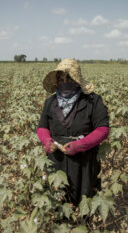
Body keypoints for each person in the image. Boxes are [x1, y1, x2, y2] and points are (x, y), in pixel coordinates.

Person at [37, 58, 110, 206]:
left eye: (69, 78)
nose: (65, 82)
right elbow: (42, 127)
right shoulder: (50, 102)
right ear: (57, 81)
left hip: (84, 160)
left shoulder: (92, 101)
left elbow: (103, 129)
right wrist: (47, 141)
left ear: (77, 79)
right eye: (61, 79)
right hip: (56, 159)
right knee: (58, 200)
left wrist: (80, 145)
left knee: (83, 200)